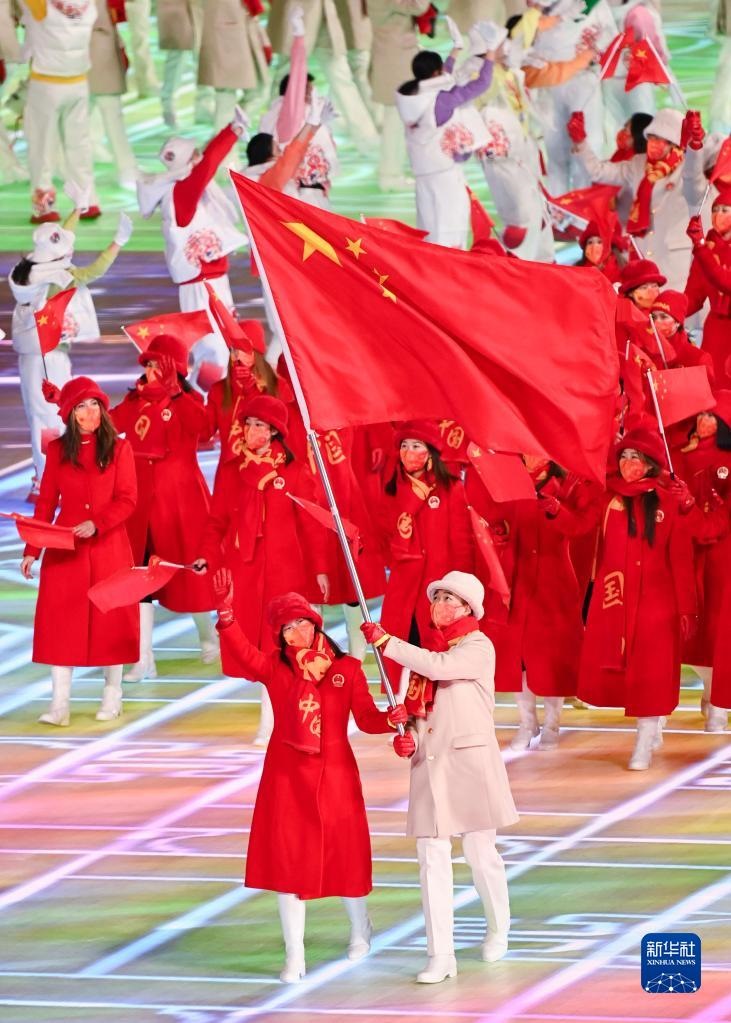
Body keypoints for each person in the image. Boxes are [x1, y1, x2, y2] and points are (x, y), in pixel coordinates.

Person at [214, 571, 407, 981]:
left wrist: (391, 719)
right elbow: (244, 655)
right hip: (286, 778)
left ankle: (361, 927)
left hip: (336, 775)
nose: (295, 632)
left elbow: (366, 718)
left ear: (315, 623)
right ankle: (295, 955)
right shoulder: (275, 668)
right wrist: (227, 618)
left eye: (300, 622)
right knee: (288, 862)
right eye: (286, 628)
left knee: (344, 854)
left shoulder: (347, 668)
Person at [361, 570, 519, 983]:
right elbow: (418, 716)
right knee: (431, 859)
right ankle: (440, 954)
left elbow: (441, 667)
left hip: (471, 765)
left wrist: (388, 643)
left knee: (480, 854)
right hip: (431, 767)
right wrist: (407, 738)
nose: (441, 605)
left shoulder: (478, 647)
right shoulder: (419, 657)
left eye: (450, 599)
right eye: (437, 598)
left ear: (468, 608)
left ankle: (499, 928)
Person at [194, 394, 330, 745]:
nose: (251, 431)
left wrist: (320, 569)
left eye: (259, 425)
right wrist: (206, 555)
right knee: (254, 645)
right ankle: (272, 718)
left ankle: (277, 720)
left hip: (286, 571)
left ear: (274, 431)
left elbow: (311, 525)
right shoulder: (231, 471)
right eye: (248, 424)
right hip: (245, 569)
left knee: (282, 645)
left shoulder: (294, 472)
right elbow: (216, 521)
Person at [578, 424, 699, 770]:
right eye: (624, 456)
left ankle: (644, 739)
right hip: (615, 598)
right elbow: (578, 527)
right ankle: (652, 725)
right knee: (621, 668)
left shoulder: (667, 501)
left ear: (650, 463)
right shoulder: (608, 498)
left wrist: (686, 607)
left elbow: (680, 557)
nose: (628, 463)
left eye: (636, 457)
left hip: (657, 602)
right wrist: (556, 510)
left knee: (652, 671)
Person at [21, 376, 139, 725]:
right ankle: (59, 705)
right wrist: (32, 549)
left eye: (95, 405)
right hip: (66, 547)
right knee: (61, 621)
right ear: (70, 414)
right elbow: (46, 503)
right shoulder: (58, 450)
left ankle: (112, 695)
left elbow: (128, 499)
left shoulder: (119, 449)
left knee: (111, 621)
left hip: (108, 546)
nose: (90, 413)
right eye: (82, 407)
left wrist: (98, 523)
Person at [470, 457, 599, 750]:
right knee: (517, 656)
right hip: (517, 579)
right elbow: (492, 517)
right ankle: (527, 722)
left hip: (554, 581)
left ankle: (553, 723)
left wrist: (558, 511)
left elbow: (583, 525)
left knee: (552, 657)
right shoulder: (507, 479)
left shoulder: (568, 482)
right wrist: (498, 531)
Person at [110, 335, 217, 681]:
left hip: (180, 500)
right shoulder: (134, 400)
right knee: (140, 573)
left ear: (175, 367)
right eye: (148, 364)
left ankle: (208, 636)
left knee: (189, 572)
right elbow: (107, 426)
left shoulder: (188, 400)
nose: (151, 369)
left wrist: (175, 394)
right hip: (140, 501)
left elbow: (204, 429)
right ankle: (144, 658)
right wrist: (68, 405)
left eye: (158, 363)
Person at [9, 204, 133, 500]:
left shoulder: (28, 270)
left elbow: (60, 238)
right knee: (53, 418)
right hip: (50, 356)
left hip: (30, 355)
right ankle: (50, 482)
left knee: (38, 418)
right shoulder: (58, 275)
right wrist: (117, 242)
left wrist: (77, 209)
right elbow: (94, 271)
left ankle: (43, 478)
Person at [136, 115, 249, 388]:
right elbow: (208, 164)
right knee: (214, 355)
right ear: (189, 162)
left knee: (224, 352)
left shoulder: (186, 192)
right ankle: (201, 402)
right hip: (202, 287)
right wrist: (232, 132)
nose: (201, 157)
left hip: (212, 283)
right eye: (196, 154)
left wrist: (229, 131)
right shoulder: (181, 193)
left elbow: (205, 163)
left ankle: (212, 404)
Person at [376, 421, 473, 689]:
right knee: (401, 648)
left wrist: (460, 588)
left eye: (416, 446)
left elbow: (462, 542)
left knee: (438, 651)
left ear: (430, 451)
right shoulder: (392, 490)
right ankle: (404, 708)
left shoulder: (450, 488)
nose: (409, 452)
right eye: (404, 446)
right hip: (403, 586)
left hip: (439, 587)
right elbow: (384, 535)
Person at [568, 107, 693, 291]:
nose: (653, 144)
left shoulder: (689, 169)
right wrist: (580, 142)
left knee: (677, 306)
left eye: (660, 139)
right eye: (651, 137)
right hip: (642, 249)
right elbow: (598, 171)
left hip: (675, 257)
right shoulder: (638, 164)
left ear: (674, 143)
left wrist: (697, 144)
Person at [395, 25, 494, 247]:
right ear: (435, 73)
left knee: (431, 234)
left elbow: (441, 81)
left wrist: (455, 51)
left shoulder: (411, 96)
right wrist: (491, 52)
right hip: (445, 178)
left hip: (423, 178)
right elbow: (482, 84)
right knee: (451, 234)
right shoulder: (441, 102)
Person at [19, 0, 100, 223]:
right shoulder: (89, 3)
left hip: (46, 81)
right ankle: (88, 200)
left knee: (42, 147)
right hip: (79, 81)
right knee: (80, 145)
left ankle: (45, 207)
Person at [678, 394, 731, 731]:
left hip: (721, 554)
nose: (703, 421)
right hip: (691, 550)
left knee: (716, 627)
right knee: (694, 629)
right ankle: (712, 692)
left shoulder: (726, 459)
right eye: (700, 415)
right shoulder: (681, 455)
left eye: (711, 416)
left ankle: (717, 700)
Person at [366, 0, 431, 190]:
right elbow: (419, 6)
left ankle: (391, 171)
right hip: (395, 58)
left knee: (396, 121)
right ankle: (390, 175)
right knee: (395, 122)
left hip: (392, 55)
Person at [89, 0, 138, 189]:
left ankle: (126, 168)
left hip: (97, 39)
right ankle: (126, 169)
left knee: (85, 112)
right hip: (94, 40)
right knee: (109, 109)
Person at [686, 187, 731, 386]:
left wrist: (700, 247)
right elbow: (692, 298)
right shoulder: (706, 251)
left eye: (725, 210)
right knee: (713, 387)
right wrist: (663, 311)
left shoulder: (704, 251)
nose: (717, 215)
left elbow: (725, 282)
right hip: (716, 331)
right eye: (715, 210)